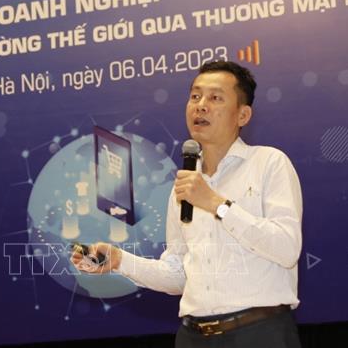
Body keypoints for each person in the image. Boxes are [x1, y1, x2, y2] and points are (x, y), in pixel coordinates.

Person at [72, 61, 303, 348]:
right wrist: (120, 260)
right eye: (195, 96)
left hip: (258, 333)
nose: (201, 106)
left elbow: (287, 248)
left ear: (243, 115)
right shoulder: (183, 186)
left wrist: (217, 204)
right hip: (193, 337)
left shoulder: (269, 163)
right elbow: (179, 275)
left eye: (215, 98)